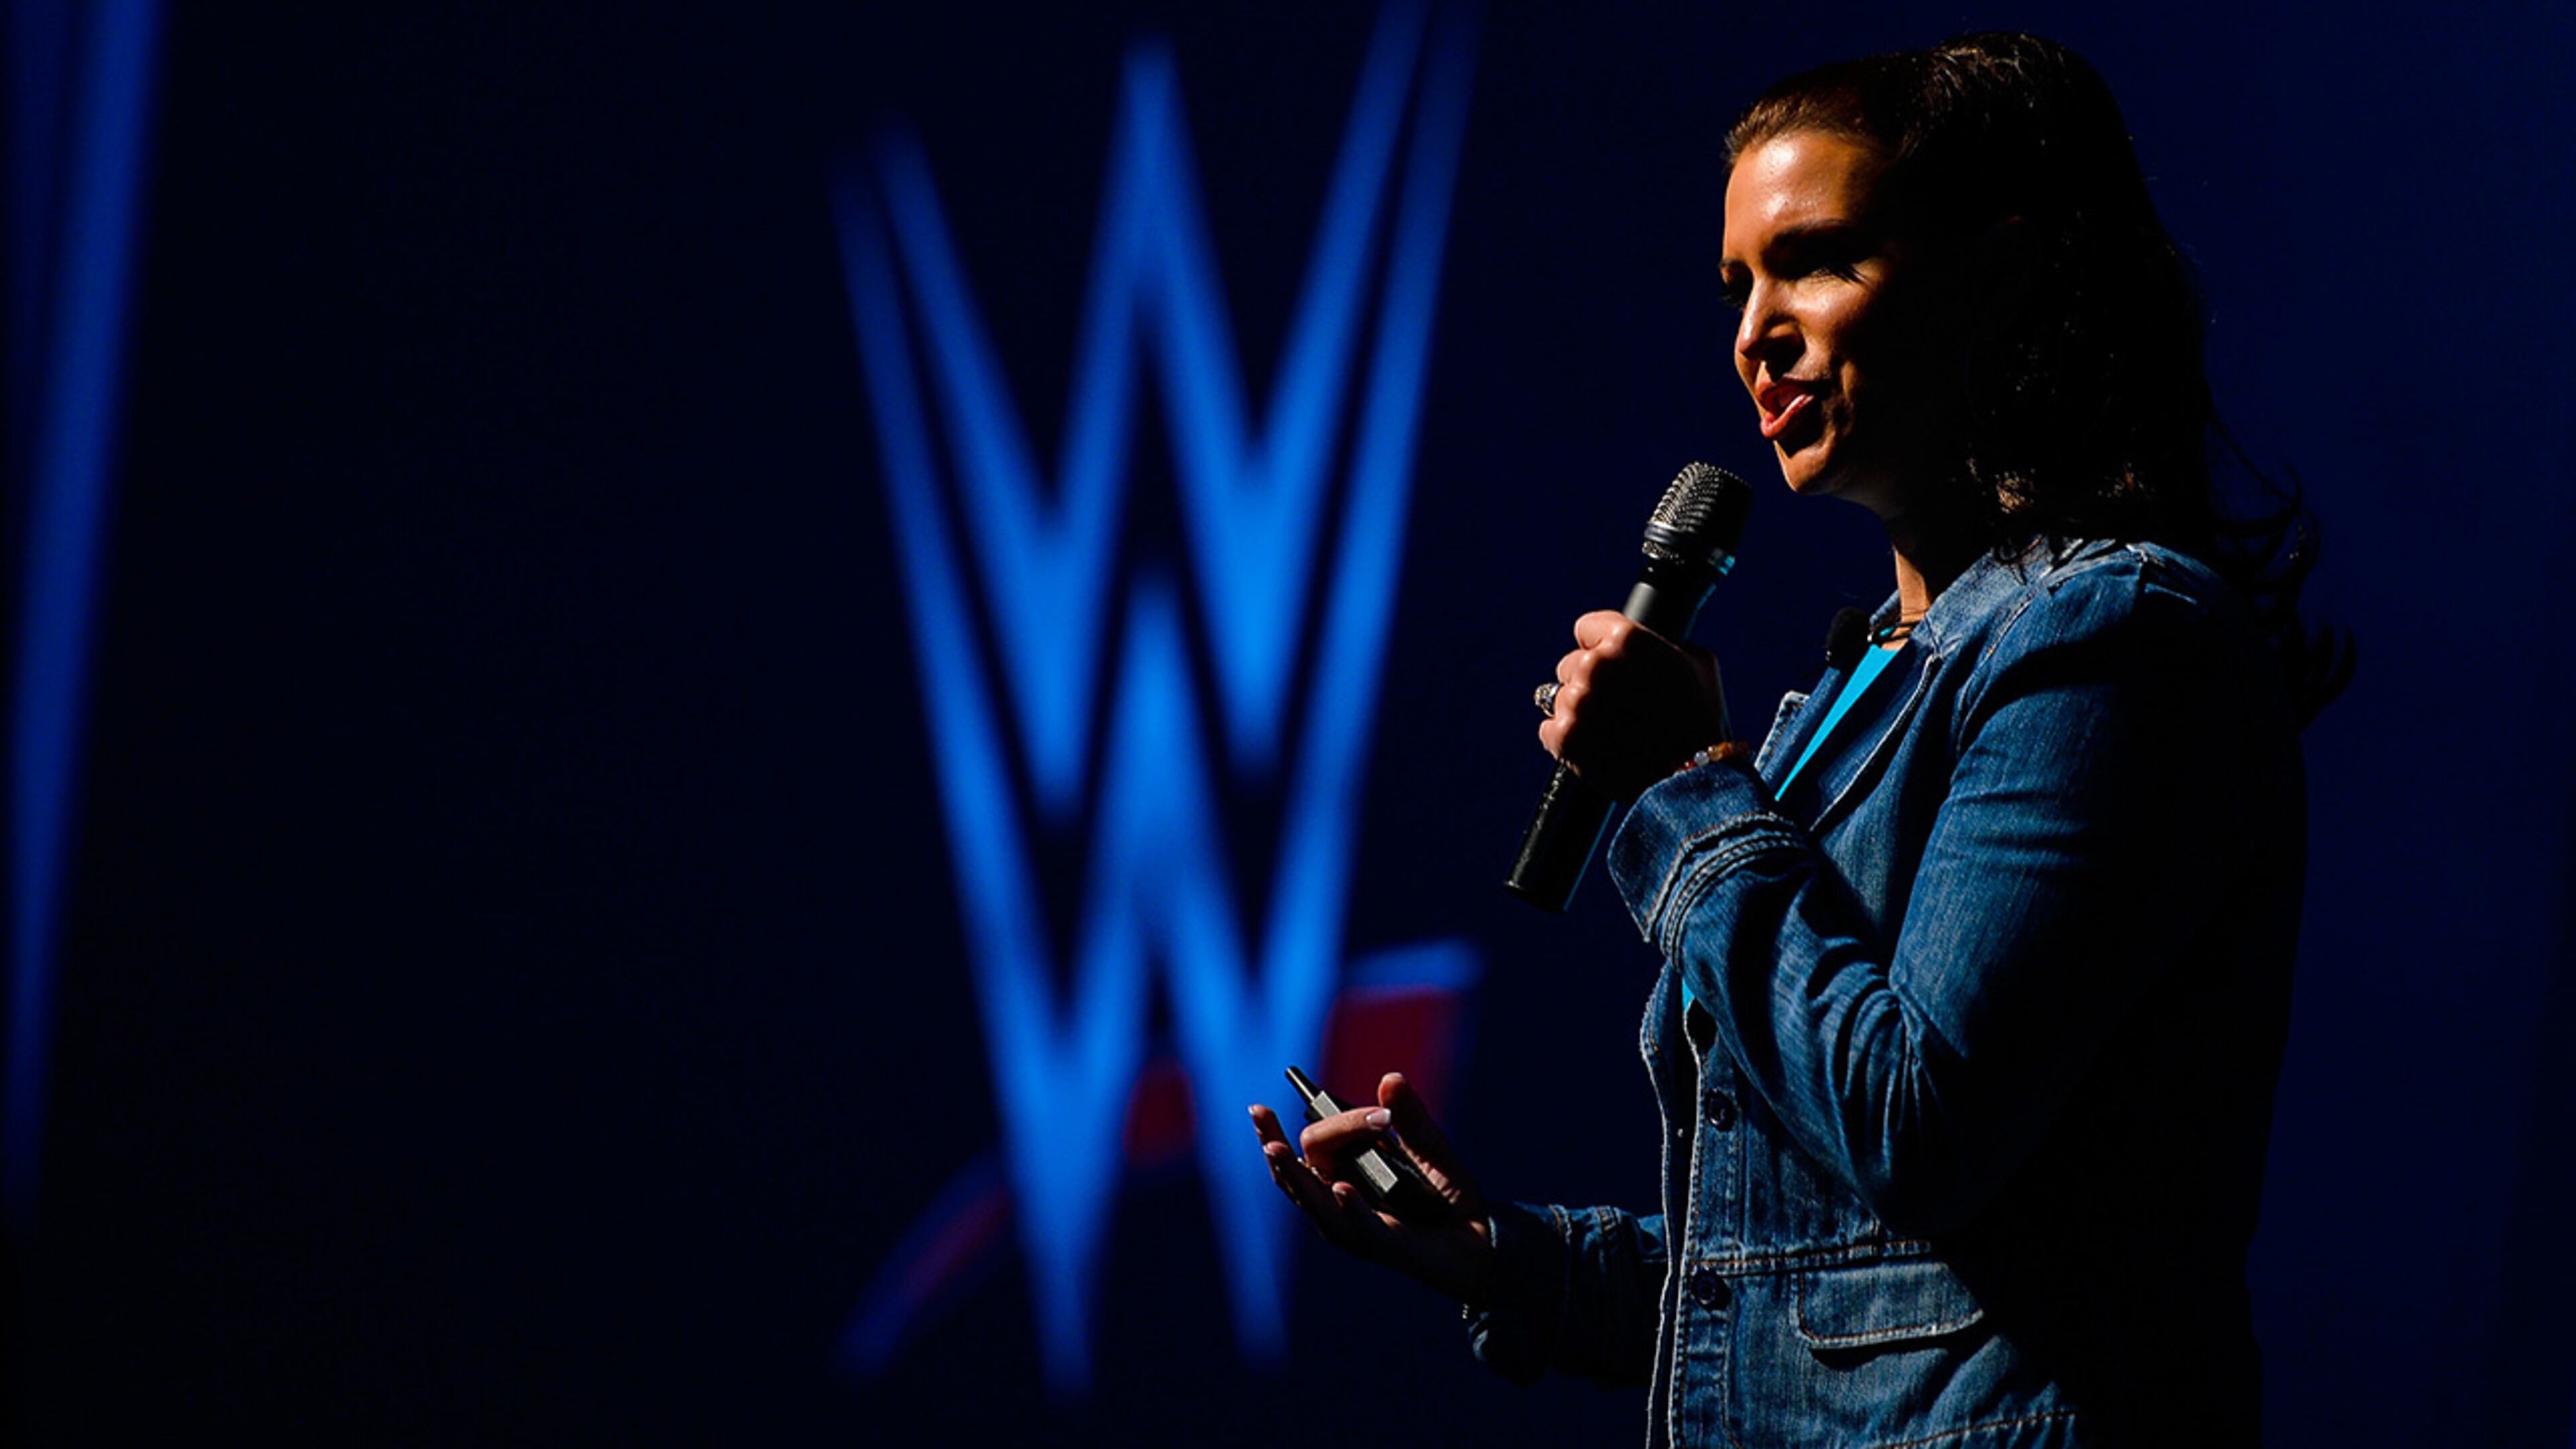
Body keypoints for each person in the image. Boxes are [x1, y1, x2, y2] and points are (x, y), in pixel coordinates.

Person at [1247, 32, 2345, 1448]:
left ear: (2001, 278)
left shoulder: (2110, 640)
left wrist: (1686, 794)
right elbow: (1815, 1297)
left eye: (1814, 259)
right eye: (1736, 284)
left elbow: (1915, 1126)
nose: (1753, 330)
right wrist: (1498, 1255)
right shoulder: (1861, 692)